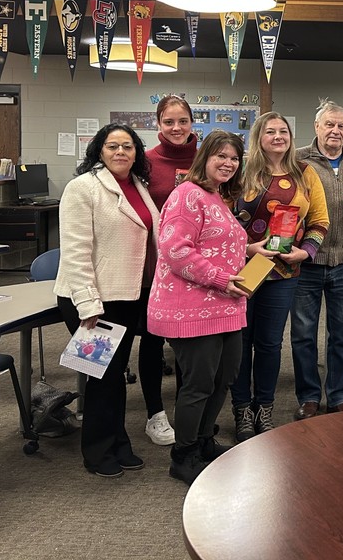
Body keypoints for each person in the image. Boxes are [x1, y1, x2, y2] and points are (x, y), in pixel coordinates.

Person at [54, 123, 160, 478]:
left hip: (127, 295)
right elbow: (75, 252)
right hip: (92, 299)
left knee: (115, 376)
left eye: (127, 147)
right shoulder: (82, 188)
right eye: (112, 146)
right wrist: (88, 305)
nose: (120, 152)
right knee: (102, 376)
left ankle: (118, 442)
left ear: (136, 152)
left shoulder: (138, 186)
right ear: (99, 151)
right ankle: (97, 452)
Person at [148, 130, 248, 485]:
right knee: (198, 385)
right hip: (190, 308)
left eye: (234, 158)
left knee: (224, 378)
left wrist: (254, 251)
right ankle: (183, 454)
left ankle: (204, 441)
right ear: (204, 156)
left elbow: (215, 244)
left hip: (225, 307)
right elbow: (175, 251)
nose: (228, 163)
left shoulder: (215, 197)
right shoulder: (186, 195)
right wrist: (221, 279)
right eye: (221, 156)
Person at [229, 112, 329, 440]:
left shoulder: (305, 172)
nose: (277, 136)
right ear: (259, 137)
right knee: (240, 343)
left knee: (270, 344)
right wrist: (247, 248)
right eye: (270, 131)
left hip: (284, 270)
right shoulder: (241, 172)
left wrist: (306, 252)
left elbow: (319, 220)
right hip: (244, 267)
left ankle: (264, 407)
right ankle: (242, 409)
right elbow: (221, 220)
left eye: (283, 131)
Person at [291, 100, 343, 420]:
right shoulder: (298, 160)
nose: (335, 131)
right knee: (302, 334)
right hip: (306, 262)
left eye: (341, 126)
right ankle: (309, 396)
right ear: (317, 127)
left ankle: (338, 394)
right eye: (329, 124)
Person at [138, 93, 199, 447]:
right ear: (158, 124)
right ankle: (154, 413)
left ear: (192, 123)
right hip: (155, 265)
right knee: (152, 340)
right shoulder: (144, 162)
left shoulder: (205, 158)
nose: (176, 128)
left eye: (183, 121)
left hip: (194, 268)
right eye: (169, 122)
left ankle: (184, 410)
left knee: (189, 345)